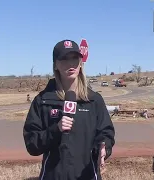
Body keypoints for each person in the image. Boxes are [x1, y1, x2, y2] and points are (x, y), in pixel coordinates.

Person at [23, 39, 115, 180]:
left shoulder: (94, 100)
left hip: (86, 175)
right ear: (56, 65)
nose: (71, 64)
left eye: (74, 58)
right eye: (64, 59)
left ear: (80, 63)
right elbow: (32, 145)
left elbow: (105, 133)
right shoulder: (43, 101)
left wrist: (104, 147)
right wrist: (55, 129)